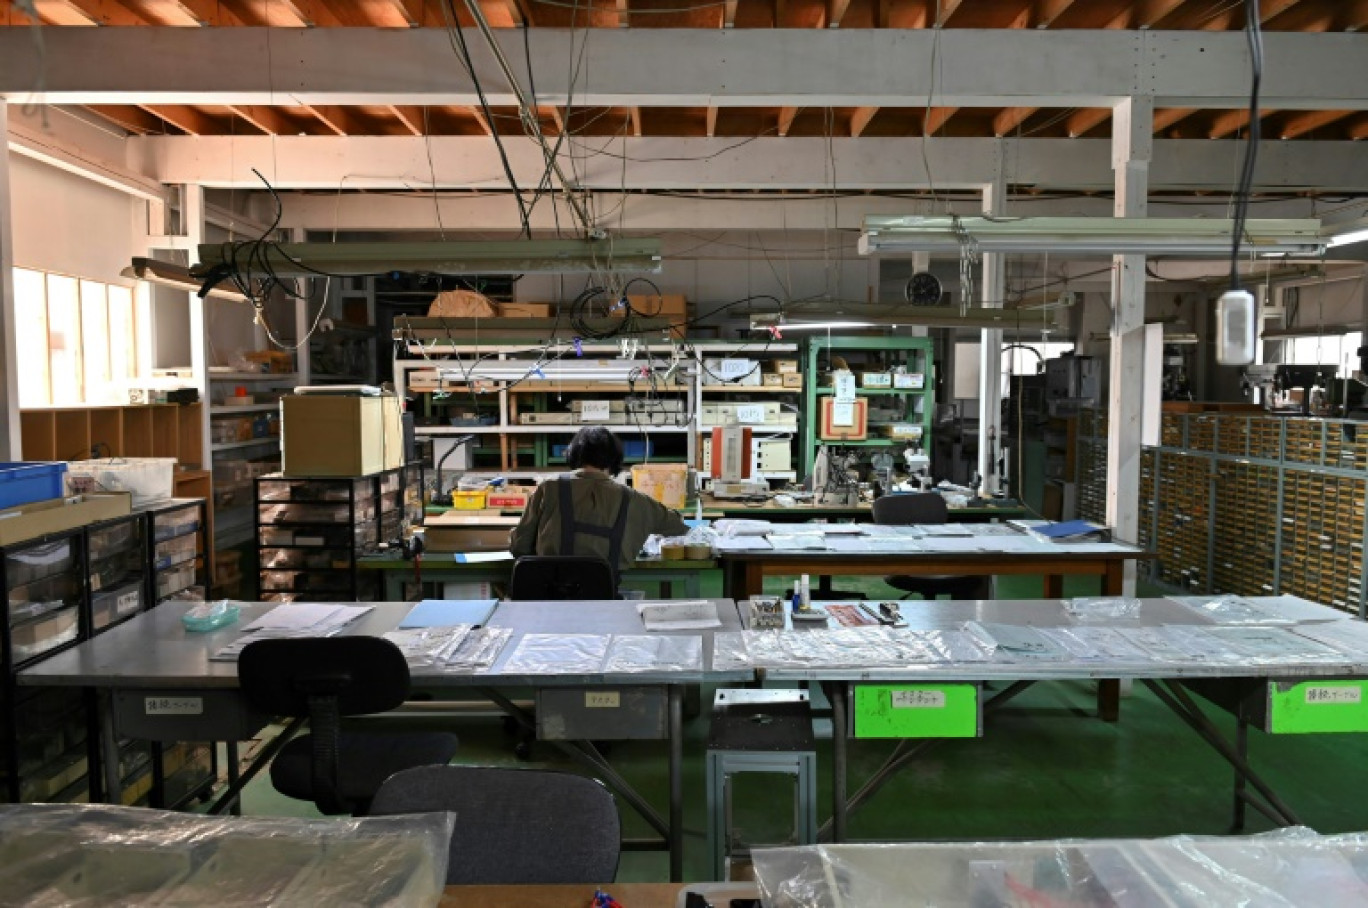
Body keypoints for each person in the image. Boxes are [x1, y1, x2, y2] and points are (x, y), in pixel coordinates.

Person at [509, 426, 688, 576]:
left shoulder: (549, 487)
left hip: (547, 596)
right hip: (603, 598)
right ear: (615, 459)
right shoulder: (634, 499)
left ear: (573, 454)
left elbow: (519, 546)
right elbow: (679, 527)